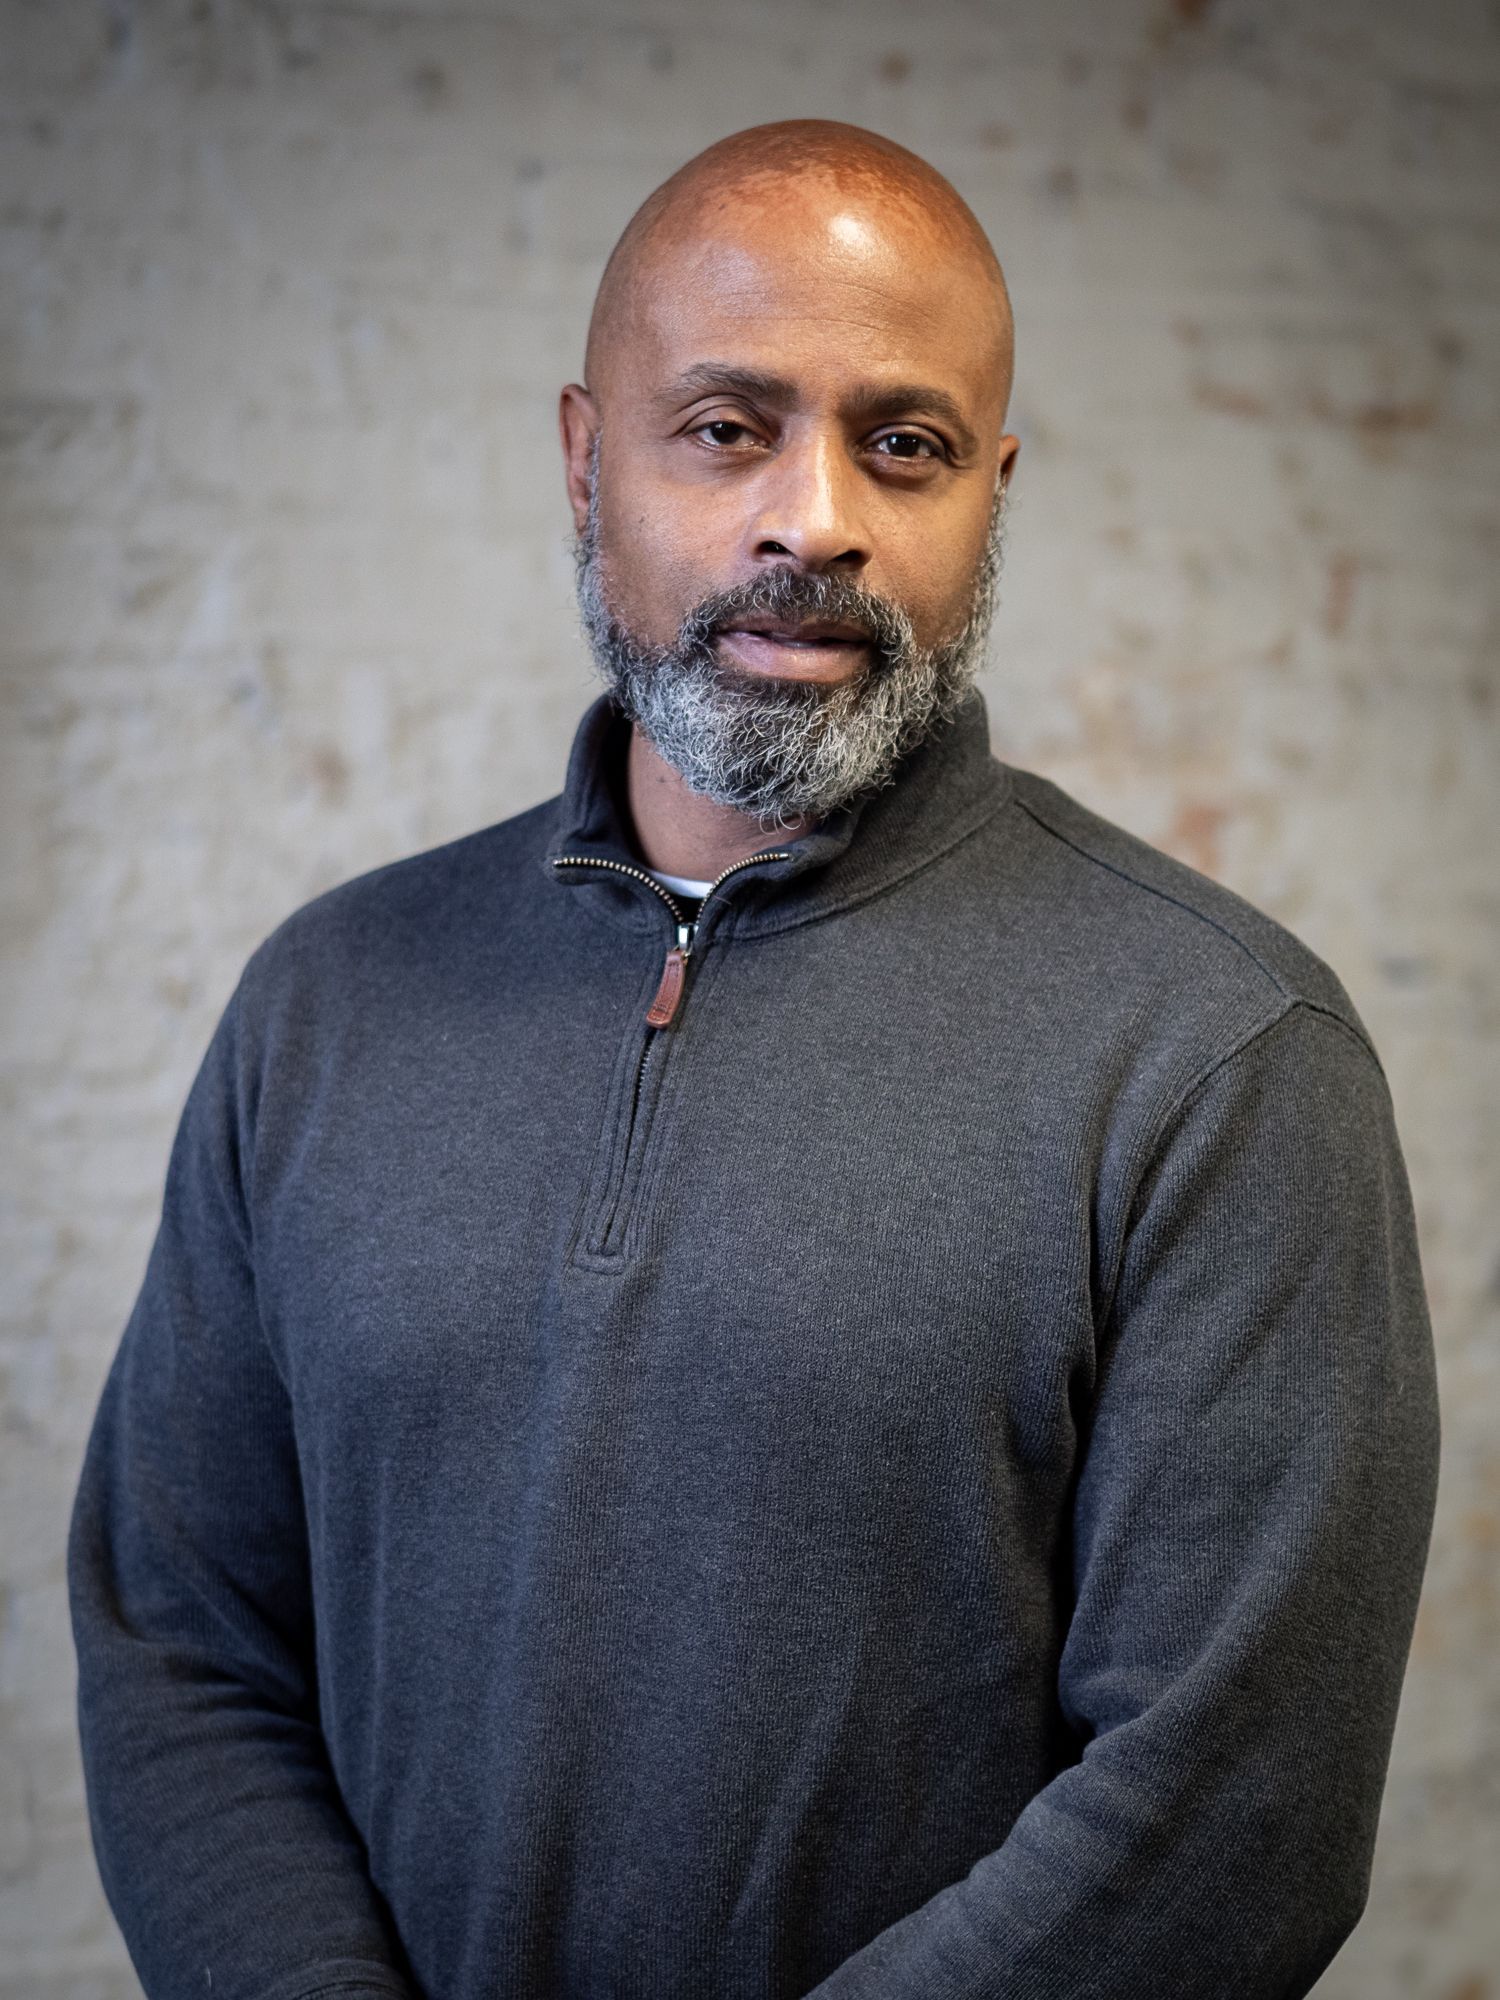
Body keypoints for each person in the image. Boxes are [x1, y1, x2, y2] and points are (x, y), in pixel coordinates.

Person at [68, 121, 1440, 2000]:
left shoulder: (1223, 1057)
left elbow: (1233, 1820)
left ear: (993, 492)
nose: (817, 519)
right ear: (584, 462)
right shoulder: (326, 1005)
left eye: (907, 442)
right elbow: (183, 1647)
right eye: (725, 427)